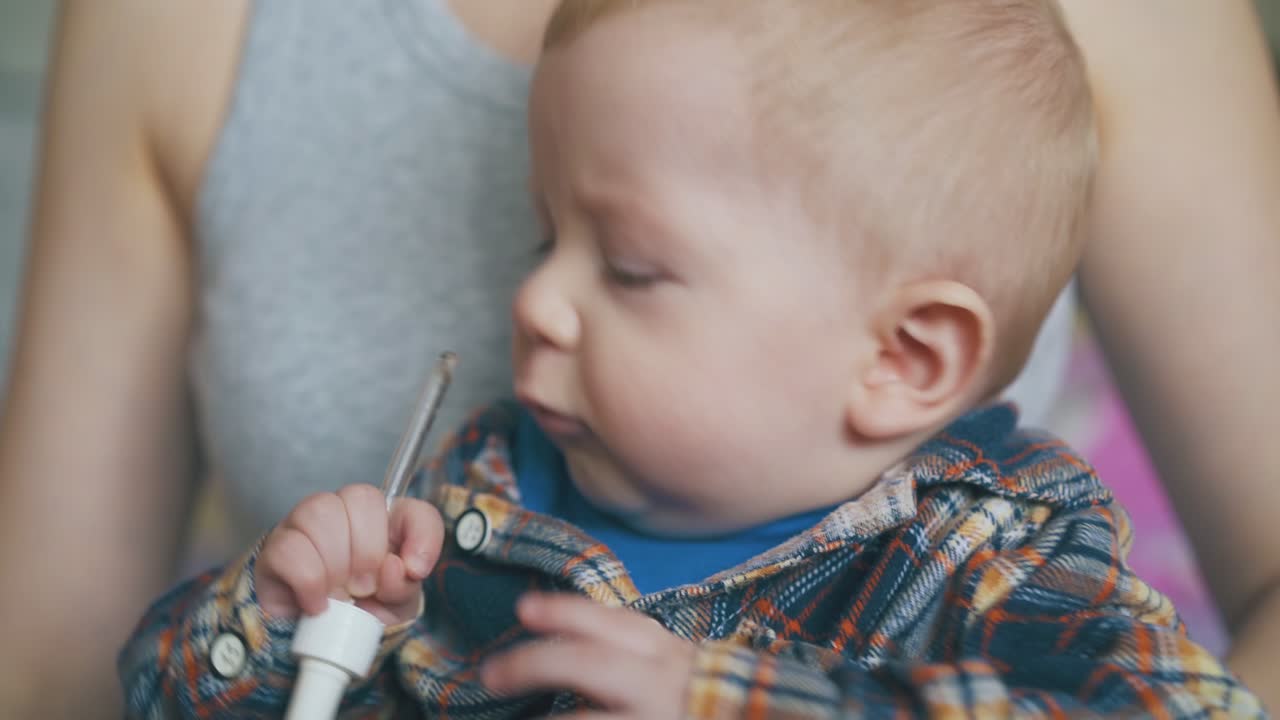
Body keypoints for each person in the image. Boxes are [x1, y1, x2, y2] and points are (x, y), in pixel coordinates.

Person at [1, 0, 1277, 716]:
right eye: (547, 234)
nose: (534, 302)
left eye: (626, 269)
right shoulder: (474, 505)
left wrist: (731, 703)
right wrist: (281, 624)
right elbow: (98, 676)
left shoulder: (992, 550)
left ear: (904, 356)